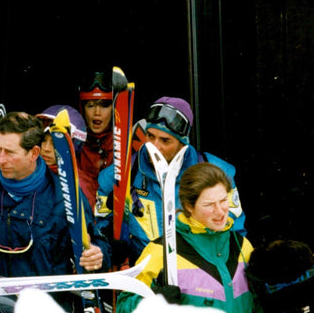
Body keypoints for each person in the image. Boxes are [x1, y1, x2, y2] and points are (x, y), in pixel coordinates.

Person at [0, 112, 110, 312]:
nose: (1, 160)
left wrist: (98, 255)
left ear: (34, 153)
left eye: (10, 152)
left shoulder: (65, 198)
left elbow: (97, 245)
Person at [95, 96, 245, 267]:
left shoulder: (218, 173)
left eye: (165, 140)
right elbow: (100, 229)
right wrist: (109, 244)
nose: (154, 146)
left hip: (200, 275)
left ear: (183, 144)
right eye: (150, 136)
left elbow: (235, 232)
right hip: (147, 276)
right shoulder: (119, 175)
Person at [116, 163, 258, 313]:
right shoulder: (161, 252)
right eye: (209, 205)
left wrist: (273, 302)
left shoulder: (242, 246)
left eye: (223, 200)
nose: (220, 211)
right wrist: (153, 303)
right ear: (189, 207)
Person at [35, 105, 96, 206]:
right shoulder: (28, 171)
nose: (46, 148)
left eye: (55, 143)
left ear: (73, 145)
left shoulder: (80, 185)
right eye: (42, 140)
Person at [77, 70, 114, 197]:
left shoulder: (126, 143)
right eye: (90, 105)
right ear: (82, 108)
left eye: (104, 106)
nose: (97, 112)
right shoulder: (73, 143)